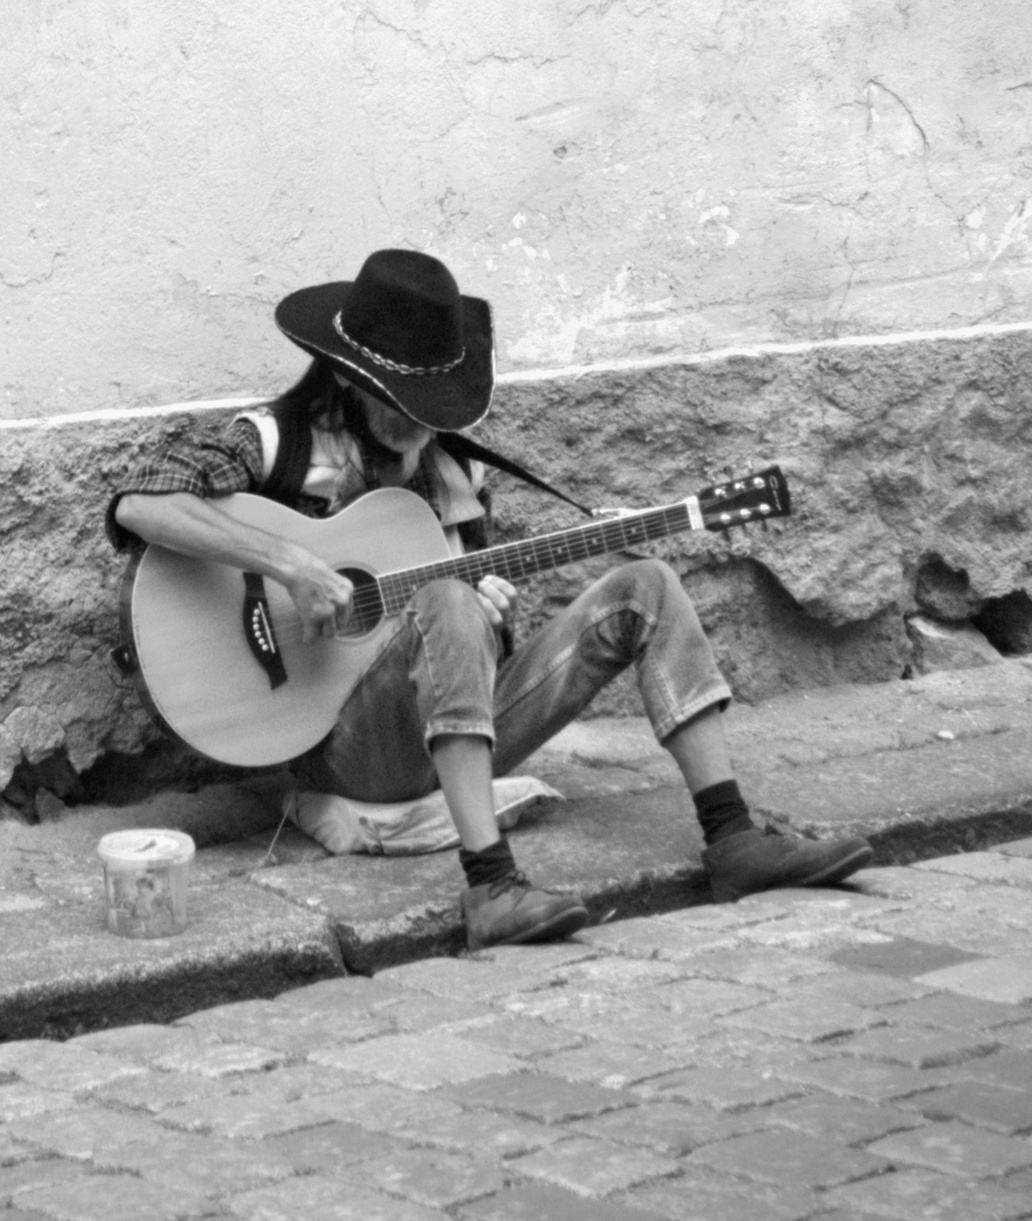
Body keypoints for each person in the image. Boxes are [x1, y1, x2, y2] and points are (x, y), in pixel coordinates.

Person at [107, 248, 871, 948]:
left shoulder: (458, 476)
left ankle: (733, 838)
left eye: (432, 398)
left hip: (449, 731)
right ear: (349, 377)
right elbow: (139, 506)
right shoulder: (277, 439)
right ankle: (492, 886)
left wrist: (491, 615)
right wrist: (292, 562)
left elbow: (472, 644)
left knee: (648, 586)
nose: (420, 419)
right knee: (444, 594)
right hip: (331, 741)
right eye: (400, 399)